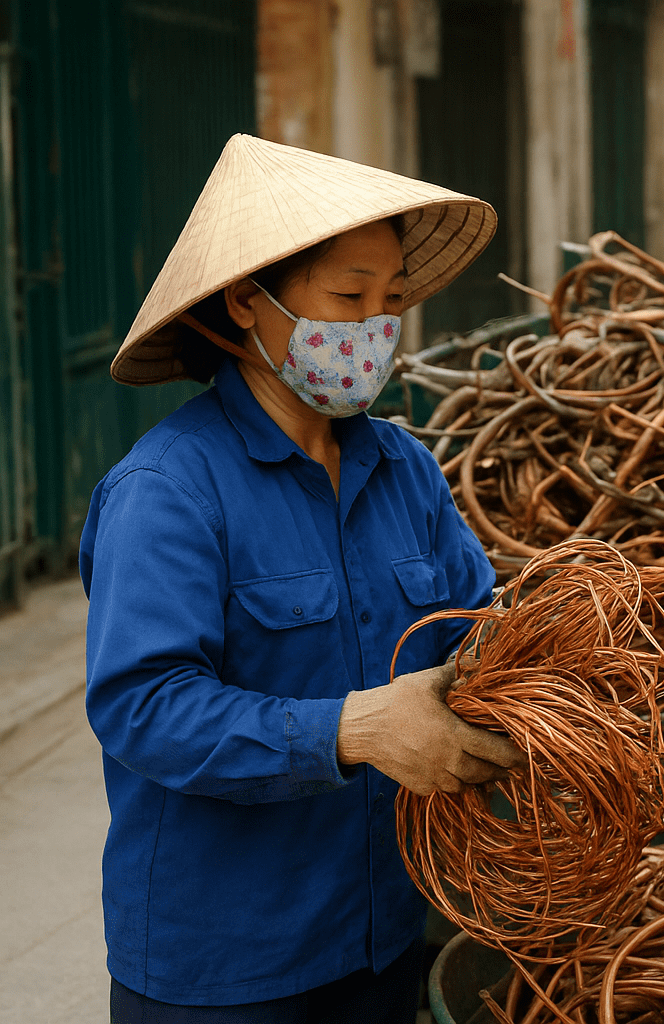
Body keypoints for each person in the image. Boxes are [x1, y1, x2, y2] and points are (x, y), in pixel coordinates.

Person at [82, 134, 518, 1022]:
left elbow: (479, 632)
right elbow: (142, 706)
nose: (375, 328)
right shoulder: (168, 489)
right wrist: (354, 729)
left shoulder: (404, 469)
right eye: (349, 298)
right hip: (222, 968)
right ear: (248, 301)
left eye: (391, 300)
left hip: (383, 939)